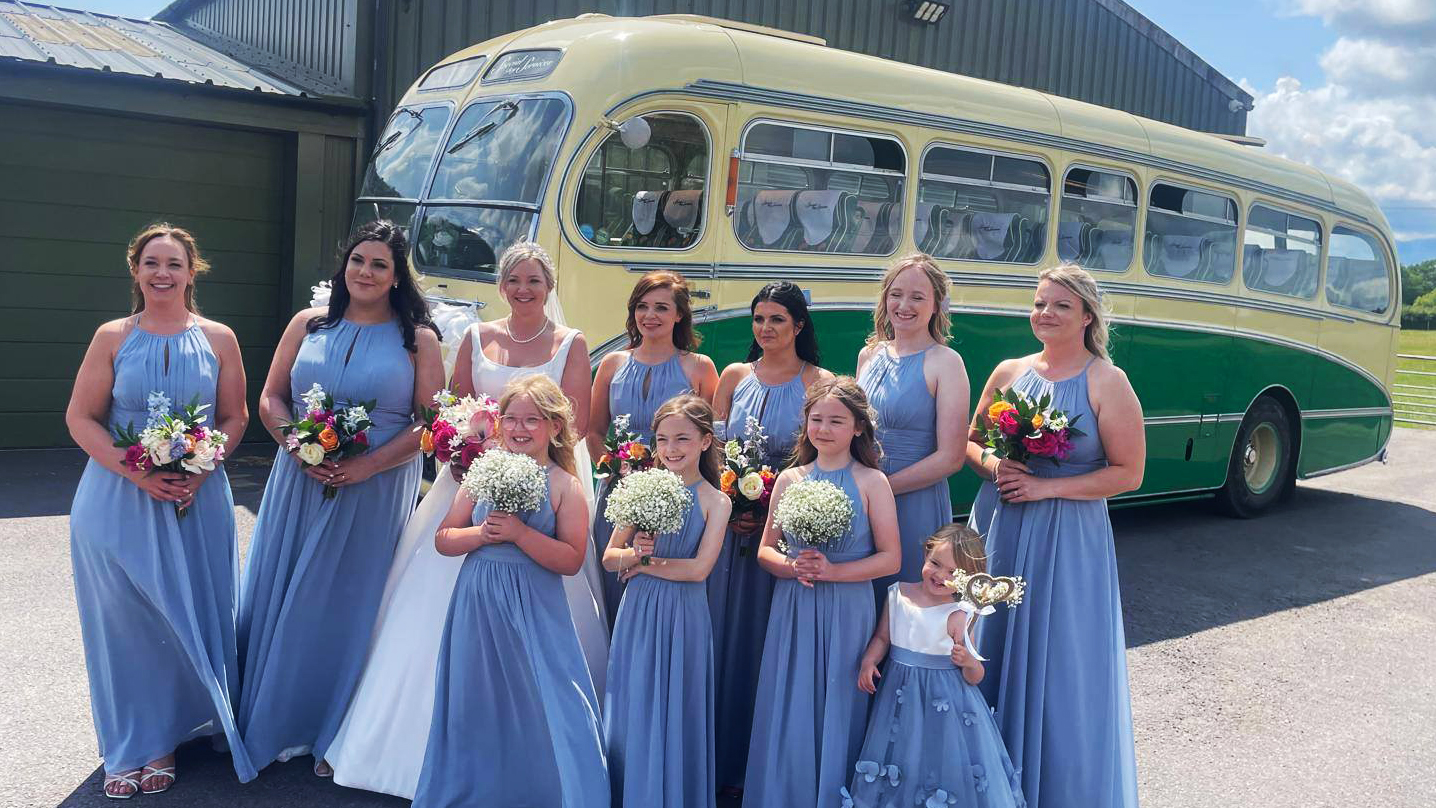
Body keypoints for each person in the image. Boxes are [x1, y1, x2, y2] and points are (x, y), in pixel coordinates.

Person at [327, 241, 607, 799]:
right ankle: (407, 752)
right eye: (514, 280)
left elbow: (570, 433)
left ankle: (538, 753)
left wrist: (551, 497)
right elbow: (448, 411)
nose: (524, 289)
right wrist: (462, 448)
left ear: (549, 287)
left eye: (534, 280)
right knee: (424, 601)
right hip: (472, 478)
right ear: (501, 286)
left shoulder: (571, 344)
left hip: (542, 488)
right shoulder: (478, 338)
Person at [236, 220, 444, 777]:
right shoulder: (309, 324)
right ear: (343, 265)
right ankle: (274, 717)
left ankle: (334, 727)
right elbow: (272, 397)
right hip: (299, 478)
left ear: (398, 276)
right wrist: (297, 444)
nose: (365, 272)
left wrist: (367, 464)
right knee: (288, 589)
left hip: (374, 486)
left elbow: (430, 423)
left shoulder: (418, 339)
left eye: (379, 264)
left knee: (349, 601)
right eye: (358, 260)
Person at [66, 223, 255, 797]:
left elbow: (236, 416)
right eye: (151, 263)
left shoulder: (220, 337)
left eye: (174, 263)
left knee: (188, 613)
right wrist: (137, 472)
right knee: (125, 623)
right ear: (135, 270)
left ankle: (174, 733)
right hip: (118, 498)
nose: (162, 274)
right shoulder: (112, 337)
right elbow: (81, 418)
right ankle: (135, 742)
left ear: (192, 272)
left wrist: (201, 469)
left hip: (197, 499)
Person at [964, 264, 1144, 808]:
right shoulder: (1010, 371)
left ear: (1087, 316)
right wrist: (996, 467)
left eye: (1061, 306)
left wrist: (1047, 489)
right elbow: (972, 442)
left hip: (1068, 538)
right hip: (1001, 525)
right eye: (1040, 303)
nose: (1046, 313)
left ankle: (1056, 787)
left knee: (1059, 658)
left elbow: (1128, 473)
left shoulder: (1105, 381)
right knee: (982, 641)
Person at [412, 375, 607, 808]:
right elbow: (445, 539)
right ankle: (479, 789)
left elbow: (571, 559)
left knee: (545, 693)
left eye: (532, 420)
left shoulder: (564, 484)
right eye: (511, 419)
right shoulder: (482, 473)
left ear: (555, 427)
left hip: (536, 608)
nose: (519, 429)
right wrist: (481, 534)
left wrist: (520, 533)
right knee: (476, 696)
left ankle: (551, 790)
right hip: (477, 601)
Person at [743, 377, 901, 807]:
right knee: (790, 701)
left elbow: (891, 559)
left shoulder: (872, 482)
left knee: (838, 698)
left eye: (836, 420)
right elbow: (764, 552)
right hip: (794, 604)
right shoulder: (790, 478)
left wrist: (833, 571)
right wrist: (793, 567)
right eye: (817, 419)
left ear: (857, 428)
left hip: (847, 606)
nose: (824, 429)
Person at [708, 280, 832, 793]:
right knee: (720, 638)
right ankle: (716, 759)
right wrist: (730, 501)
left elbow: (821, 457)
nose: (765, 329)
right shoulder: (734, 376)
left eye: (777, 320)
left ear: (799, 326)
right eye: (758, 319)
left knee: (767, 643)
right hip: (726, 533)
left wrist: (770, 514)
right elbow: (711, 451)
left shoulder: (818, 381)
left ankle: (758, 764)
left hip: (781, 537)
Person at [602, 393, 729, 808]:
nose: (671, 450)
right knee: (635, 698)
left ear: (705, 442)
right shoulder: (640, 488)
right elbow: (609, 558)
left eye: (682, 439)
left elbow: (698, 570)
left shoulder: (716, 500)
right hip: (639, 610)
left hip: (684, 613)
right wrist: (634, 556)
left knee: (676, 704)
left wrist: (643, 562)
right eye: (662, 440)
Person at [847, 525, 1025, 807]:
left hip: (947, 705)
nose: (941, 575)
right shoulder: (898, 594)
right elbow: (883, 637)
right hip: (899, 697)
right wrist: (870, 660)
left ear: (967, 580)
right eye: (935, 564)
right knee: (903, 756)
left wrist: (967, 661)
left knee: (938, 759)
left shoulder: (960, 614)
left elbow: (976, 675)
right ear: (925, 555)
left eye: (953, 573)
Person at [589, 270, 718, 621]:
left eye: (662, 307)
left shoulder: (700, 368)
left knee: (661, 584)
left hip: (677, 499)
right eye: (642, 307)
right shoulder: (612, 364)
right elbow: (594, 430)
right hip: (619, 494)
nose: (650, 316)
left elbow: (711, 437)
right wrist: (617, 470)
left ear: (679, 315)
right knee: (614, 584)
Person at [856, 254, 969, 599]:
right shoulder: (869, 355)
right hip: (864, 495)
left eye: (918, 297)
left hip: (914, 499)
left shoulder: (946, 362)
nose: (904, 305)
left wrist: (883, 488)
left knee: (904, 597)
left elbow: (951, 457)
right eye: (896, 294)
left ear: (936, 305)